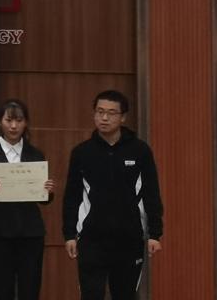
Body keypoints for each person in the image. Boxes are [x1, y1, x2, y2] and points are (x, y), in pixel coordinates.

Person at [62, 89, 163, 300]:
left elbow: (151, 193)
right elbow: (72, 196)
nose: (104, 118)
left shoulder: (140, 151)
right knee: (91, 295)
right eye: (100, 112)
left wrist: (155, 233)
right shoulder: (82, 153)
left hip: (129, 239)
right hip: (91, 239)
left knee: (125, 295)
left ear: (123, 117)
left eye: (111, 113)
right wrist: (69, 234)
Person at [0, 98, 55, 300]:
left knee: (30, 289)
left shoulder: (35, 154)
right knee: (2, 289)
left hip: (31, 233)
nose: (14, 126)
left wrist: (48, 191)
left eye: (19, 120)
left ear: (26, 122)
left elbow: (44, 200)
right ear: (0, 122)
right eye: (9, 120)